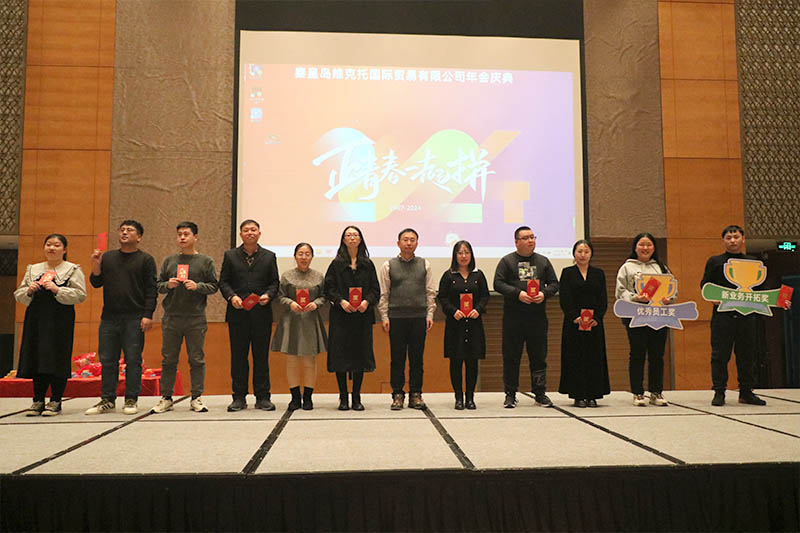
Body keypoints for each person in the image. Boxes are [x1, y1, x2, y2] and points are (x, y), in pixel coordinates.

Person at [701, 225, 790, 406]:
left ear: (743, 239)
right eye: (728, 237)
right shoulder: (715, 261)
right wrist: (713, 298)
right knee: (720, 355)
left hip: (748, 316)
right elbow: (705, 284)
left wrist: (780, 300)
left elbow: (762, 290)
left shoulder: (754, 261)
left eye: (736, 237)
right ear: (723, 241)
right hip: (723, 317)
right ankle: (719, 392)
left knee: (747, 355)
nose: (732, 240)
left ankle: (746, 392)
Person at [86, 220, 157, 415]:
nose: (124, 233)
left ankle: (131, 399)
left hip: (135, 318)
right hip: (109, 318)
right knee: (108, 360)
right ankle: (107, 399)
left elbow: (151, 290)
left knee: (133, 360)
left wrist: (148, 315)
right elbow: (96, 282)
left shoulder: (146, 260)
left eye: (130, 230)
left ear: (139, 237)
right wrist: (96, 264)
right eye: (122, 230)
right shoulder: (108, 257)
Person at [14, 234, 86, 416]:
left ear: (65, 250)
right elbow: (19, 293)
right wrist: (29, 290)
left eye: (56, 245)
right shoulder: (33, 269)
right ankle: (38, 400)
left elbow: (80, 295)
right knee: (36, 356)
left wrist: (57, 289)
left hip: (60, 321)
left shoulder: (72, 269)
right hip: (36, 319)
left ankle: (55, 400)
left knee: (57, 356)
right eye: (48, 244)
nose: (52, 248)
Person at [151, 222, 219, 414]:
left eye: (186, 234)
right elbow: (158, 285)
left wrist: (198, 287)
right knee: (168, 359)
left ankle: (196, 397)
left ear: (195, 237)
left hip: (195, 317)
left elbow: (214, 286)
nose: (182, 237)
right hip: (172, 317)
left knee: (196, 359)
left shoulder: (205, 261)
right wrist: (168, 285)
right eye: (179, 234)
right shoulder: (169, 260)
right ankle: (166, 397)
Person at [493, 226, 559, 408]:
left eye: (532, 237)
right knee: (511, 357)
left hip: (537, 318)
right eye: (526, 238)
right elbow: (498, 283)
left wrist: (544, 294)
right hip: (513, 318)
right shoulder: (507, 261)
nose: (531, 241)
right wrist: (518, 294)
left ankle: (540, 393)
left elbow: (554, 284)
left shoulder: (543, 261)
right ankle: (510, 394)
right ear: (516, 242)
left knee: (539, 356)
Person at [219, 219, 279, 412]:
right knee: (238, 357)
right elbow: (224, 282)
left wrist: (268, 295)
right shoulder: (230, 256)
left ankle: (263, 397)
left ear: (259, 233)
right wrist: (232, 297)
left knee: (261, 357)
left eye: (253, 230)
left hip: (261, 314)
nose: (250, 233)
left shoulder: (269, 256)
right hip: (238, 314)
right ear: (241, 234)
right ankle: (238, 397)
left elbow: (274, 283)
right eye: (246, 230)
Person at [379, 228, 437, 410]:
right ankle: (397, 394)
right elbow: (384, 294)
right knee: (397, 358)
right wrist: (384, 316)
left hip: (418, 317)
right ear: (398, 243)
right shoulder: (388, 265)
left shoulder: (425, 264)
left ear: (417, 243)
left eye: (412, 240)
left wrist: (430, 314)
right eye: (405, 240)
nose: (409, 243)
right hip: (396, 317)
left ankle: (416, 394)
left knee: (417, 358)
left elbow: (430, 292)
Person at [324, 226, 380, 411]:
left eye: (355, 235)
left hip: (362, 317)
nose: (352, 238)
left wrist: (366, 301)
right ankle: (343, 397)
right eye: (348, 235)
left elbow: (375, 290)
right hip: (341, 317)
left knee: (359, 356)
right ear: (343, 240)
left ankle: (356, 397)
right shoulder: (336, 264)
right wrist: (341, 301)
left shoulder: (368, 264)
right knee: (340, 356)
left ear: (361, 239)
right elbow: (328, 289)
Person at [615, 232, 674, 407]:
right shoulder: (627, 267)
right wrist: (636, 297)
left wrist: (669, 298)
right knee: (637, 354)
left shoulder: (661, 267)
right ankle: (638, 393)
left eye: (649, 245)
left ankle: (656, 392)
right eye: (641, 244)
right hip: (636, 315)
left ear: (654, 248)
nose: (645, 248)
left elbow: (673, 289)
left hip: (659, 316)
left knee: (657, 355)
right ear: (635, 247)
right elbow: (620, 291)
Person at [272, 243, 327, 411]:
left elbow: (324, 296)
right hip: (291, 321)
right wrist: (290, 303)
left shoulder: (319, 276)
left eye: (307, 254)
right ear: (295, 256)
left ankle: (308, 397)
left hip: (310, 320)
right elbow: (280, 296)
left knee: (310, 360)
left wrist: (316, 303)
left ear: (312, 257)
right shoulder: (286, 276)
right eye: (300, 254)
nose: (304, 257)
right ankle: (295, 397)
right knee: (292, 360)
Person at [436, 240, 489, 410]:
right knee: (456, 362)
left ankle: (470, 398)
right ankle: (458, 397)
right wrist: (453, 311)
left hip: (474, 324)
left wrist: (478, 309)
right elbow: (442, 297)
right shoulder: (448, 275)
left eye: (466, 252)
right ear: (455, 255)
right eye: (460, 253)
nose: (463, 256)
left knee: (472, 362)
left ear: (471, 255)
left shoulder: (478, 275)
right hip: (455, 325)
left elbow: (485, 296)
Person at [558, 239, 610, 408]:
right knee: (575, 358)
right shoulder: (567, 273)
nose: (583, 255)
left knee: (594, 358)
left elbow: (603, 299)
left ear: (591, 254)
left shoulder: (598, 273)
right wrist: (574, 316)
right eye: (579, 251)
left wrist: (598, 318)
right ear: (574, 254)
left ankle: (593, 394)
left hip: (594, 324)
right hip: (574, 324)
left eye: (586, 251)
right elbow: (564, 298)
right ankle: (578, 395)